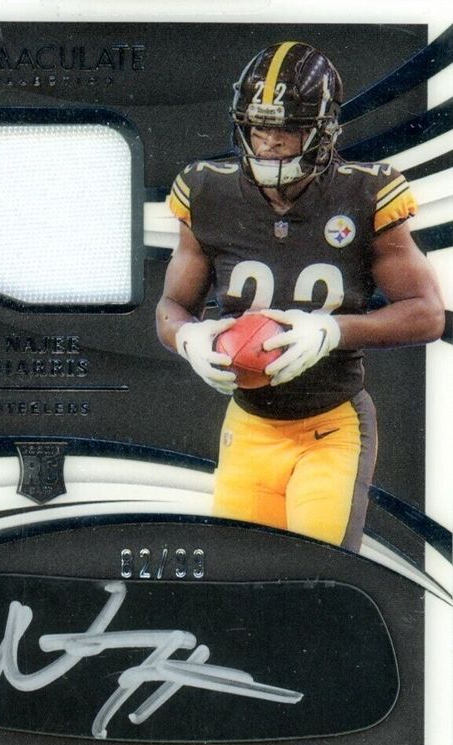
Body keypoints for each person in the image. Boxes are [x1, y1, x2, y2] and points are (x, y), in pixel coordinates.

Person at [155, 41, 444, 552]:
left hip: (330, 426)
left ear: (323, 130)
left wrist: (331, 330)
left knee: (317, 571)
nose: (269, 143)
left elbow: (427, 315)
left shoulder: (365, 193)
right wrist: (188, 338)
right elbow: (171, 308)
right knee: (243, 576)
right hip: (248, 427)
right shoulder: (207, 192)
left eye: (286, 129)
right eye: (257, 128)